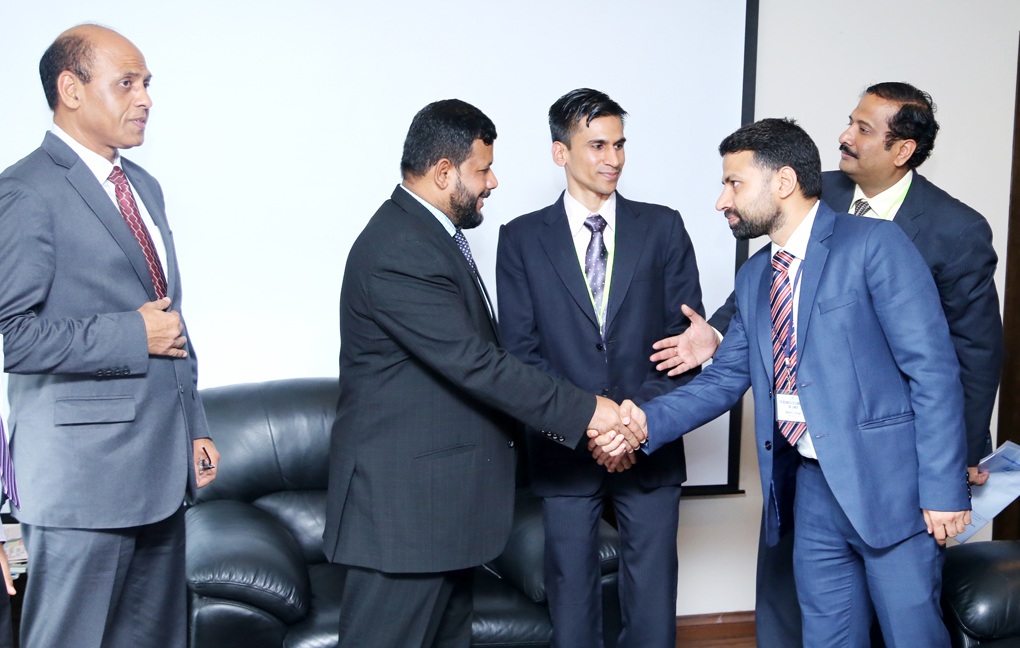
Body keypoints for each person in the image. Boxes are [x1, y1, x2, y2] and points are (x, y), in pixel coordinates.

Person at [653, 82, 1002, 646]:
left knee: (911, 630)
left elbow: (951, 362)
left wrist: (947, 478)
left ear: (902, 150)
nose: (844, 136)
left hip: (894, 478)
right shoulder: (783, 237)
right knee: (825, 631)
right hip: (812, 476)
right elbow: (741, 347)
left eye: (864, 129)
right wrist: (643, 419)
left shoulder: (915, 236)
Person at [323, 98, 641, 648]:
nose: (493, 182)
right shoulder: (398, 248)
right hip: (406, 516)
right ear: (444, 172)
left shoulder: (430, 236)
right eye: (482, 169)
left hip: (442, 514)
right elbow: (477, 365)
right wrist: (590, 410)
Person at [0, 25, 219, 648]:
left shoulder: (143, 186)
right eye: (127, 83)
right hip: (81, 482)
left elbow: (168, 317)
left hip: (158, 471)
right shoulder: (24, 191)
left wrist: (194, 423)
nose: (145, 97)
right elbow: (13, 338)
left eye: (147, 83)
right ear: (70, 89)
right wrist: (131, 334)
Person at [495, 88, 703, 648]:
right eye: (597, 145)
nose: (613, 158)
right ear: (560, 153)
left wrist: (634, 424)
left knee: (654, 601)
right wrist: (590, 423)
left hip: (649, 440)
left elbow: (685, 342)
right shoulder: (518, 239)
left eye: (619, 144)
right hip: (563, 447)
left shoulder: (663, 227)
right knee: (572, 599)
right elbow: (520, 353)